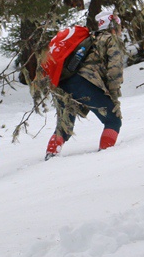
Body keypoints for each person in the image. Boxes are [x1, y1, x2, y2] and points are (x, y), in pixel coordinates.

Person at [46, 9, 126, 159]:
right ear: (114, 26)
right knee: (113, 120)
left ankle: (51, 155)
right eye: (120, 26)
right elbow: (115, 70)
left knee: (64, 126)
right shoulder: (111, 40)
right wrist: (114, 97)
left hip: (61, 82)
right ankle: (106, 156)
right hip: (84, 82)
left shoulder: (90, 39)